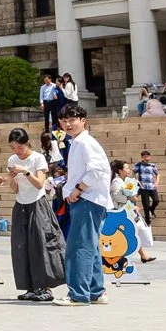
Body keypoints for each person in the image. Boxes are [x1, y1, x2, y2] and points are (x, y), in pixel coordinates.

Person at [55, 102, 112, 303]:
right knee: (90, 247)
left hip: (87, 199)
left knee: (78, 247)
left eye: (72, 120)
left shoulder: (85, 143)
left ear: (83, 120)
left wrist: (78, 189)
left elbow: (98, 171)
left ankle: (78, 294)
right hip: (89, 199)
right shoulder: (77, 142)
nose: (68, 124)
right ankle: (96, 291)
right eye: (64, 120)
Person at [4, 128, 63, 302]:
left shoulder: (38, 158)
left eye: (19, 148)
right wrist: (11, 178)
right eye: (13, 148)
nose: (17, 152)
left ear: (27, 143)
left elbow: (39, 184)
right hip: (21, 204)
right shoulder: (12, 160)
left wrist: (25, 171)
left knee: (40, 245)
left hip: (37, 204)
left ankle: (44, 287)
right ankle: (29, 286)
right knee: (21, 246)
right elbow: (14, 189)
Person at [109, 160, 154, 263]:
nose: (128, 170)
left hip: (126, 211)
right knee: (128, 234)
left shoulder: (124, 181)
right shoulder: (117, 181)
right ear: (120, 170)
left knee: (130, 233)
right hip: (120, 212)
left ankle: (143, 256)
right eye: (126, 168)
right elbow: (117, 197)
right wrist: (130, 199)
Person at [134, 151, 159, 225]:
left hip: (152, 186)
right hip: (143, 187)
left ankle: (152, 209)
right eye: (145, 157)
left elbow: (157, 174)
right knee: (146, 205)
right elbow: (134, 173)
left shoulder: (152, 165)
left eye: (148, 156)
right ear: (142, 157)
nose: (147, 158)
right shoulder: (139, 164)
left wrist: (157, 182)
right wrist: (138, 181)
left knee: (156, 200)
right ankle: (147, 221)